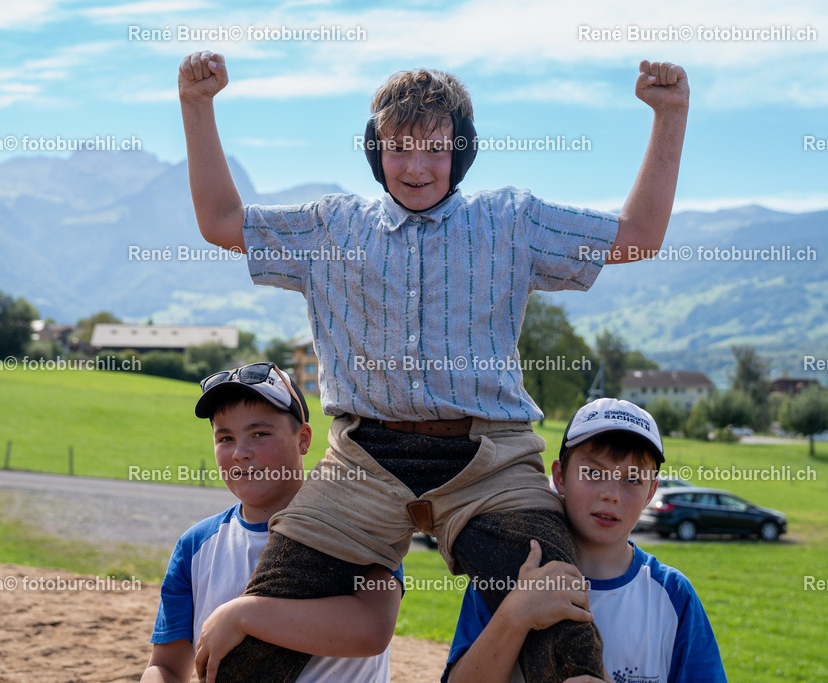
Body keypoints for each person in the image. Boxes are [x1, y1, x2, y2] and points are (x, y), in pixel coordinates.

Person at [178, 50, 688, 682]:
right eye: (398, 147)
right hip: (361, 464)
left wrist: (670, 114)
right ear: (375, 151)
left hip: (490, 463)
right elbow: (222, 222)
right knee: (244, 653)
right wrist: (196, 106)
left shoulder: (510, 221)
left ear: (462, 151)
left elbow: (637, 236)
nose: (416, 167)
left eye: (435, 148)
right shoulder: (330, 226)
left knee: (558, 615)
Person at [141, 362, 402, 683]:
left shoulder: (354, 524)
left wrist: (242, 615)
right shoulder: (195, 545)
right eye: (225, 438)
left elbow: (371, 631)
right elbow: (166, 665)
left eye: (260, 433)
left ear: (303, 439)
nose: (240, 453)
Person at [444, 398, 727, 682]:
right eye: (593, 472)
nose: (611, 494)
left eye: (632, 480)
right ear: (560, 477)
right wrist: (515, 614)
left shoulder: (672, 595)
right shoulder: (508, 570)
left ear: (650, 493)